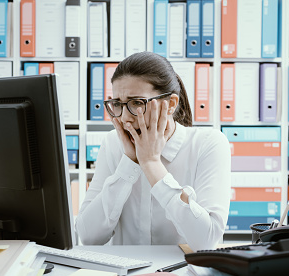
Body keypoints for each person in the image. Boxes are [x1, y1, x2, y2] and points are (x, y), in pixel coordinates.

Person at [75, 52, 231, 251]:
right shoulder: (113, 143)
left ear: (171, 104)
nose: (124, 119)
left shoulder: (208, 144)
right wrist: (129, 163)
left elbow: (206, 241)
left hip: (182, 275)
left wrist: (151, 164)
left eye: (137, 103)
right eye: (118, 104)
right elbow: (88, 237)